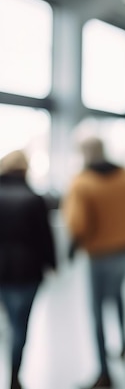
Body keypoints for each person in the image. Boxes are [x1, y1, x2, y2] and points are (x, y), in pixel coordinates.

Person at [62, 137, 125, 389]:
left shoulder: (82, 182)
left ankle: (104, 372)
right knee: (118, 295)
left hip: (99, 254)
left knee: (96, 309)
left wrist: (73, 246)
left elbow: (78, 223)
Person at [0, 150, 57, 389]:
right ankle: (14, 373)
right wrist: (52, 264)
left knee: (8, 320)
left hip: (1, 269)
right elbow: (45, 237)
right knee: (20, 323)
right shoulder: (34, 199)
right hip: (28, 270)